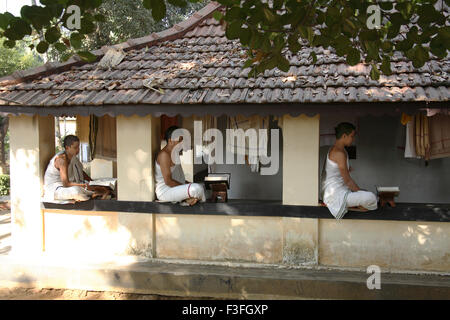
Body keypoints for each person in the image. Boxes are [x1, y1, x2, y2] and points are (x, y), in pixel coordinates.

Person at [321, 122, 377, 219]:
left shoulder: (340, 150)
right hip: (335, 196)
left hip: (341, 191)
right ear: (344, 136)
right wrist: (360, 192)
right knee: (371, 197)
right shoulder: (339, 153)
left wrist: (360, 192)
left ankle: (357, 203)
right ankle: (356, 204)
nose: (353, 139)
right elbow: (348, 181)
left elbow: (341, 171)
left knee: (369, 195)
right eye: (351, 136)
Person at [43, 135, 111, 202]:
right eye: (75, 148)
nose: (78, 150)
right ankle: (94, 193)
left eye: (78, 147)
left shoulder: (73, 158)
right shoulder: (61, 159)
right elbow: (66, 184)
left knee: (102, 187)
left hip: (68, 187)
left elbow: (81, 173)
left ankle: (96, 193)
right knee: (77, 191)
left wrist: (93, 183)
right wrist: (85, 186)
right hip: (55, 189)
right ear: (67, 148)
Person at [155, 126, 206, 205]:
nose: (182, 142)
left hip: (174, 189)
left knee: (201, 186)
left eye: (182, 140)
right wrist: (184, 187)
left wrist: (186, 185)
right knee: (196, 188)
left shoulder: (175, 154)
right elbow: (168, 181)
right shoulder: (164, 155)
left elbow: (178, 178)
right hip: (164, 192)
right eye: (180, 140)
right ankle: (190, 201)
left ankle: (188, 200)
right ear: (170, 141)